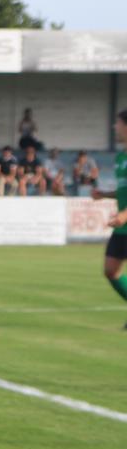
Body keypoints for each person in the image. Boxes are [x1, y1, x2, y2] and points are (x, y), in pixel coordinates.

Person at [90, 110, 127, 328]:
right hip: (123, 227)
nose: (115, 127)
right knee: (111, 270)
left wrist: (124, 214)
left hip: (124, 220)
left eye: (118, 124)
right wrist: (104, 194)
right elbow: (123, 191)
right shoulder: (121, 158)